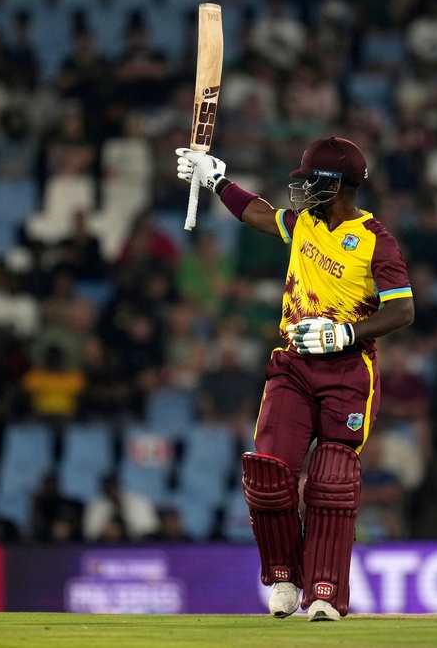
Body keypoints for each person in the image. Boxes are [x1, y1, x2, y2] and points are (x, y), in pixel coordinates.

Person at [176, 136, 414, 621]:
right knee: (269, 473)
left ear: (333, 184)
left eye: (309, 181)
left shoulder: (376, 240)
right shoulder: (305, 223)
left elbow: (403, 310)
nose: (301, 189)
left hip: (348, 372)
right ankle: (284, 578)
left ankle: (324, 592)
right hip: (292, 364)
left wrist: (342, 334)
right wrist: (217, 179)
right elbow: (259, 215)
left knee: (331, 480)